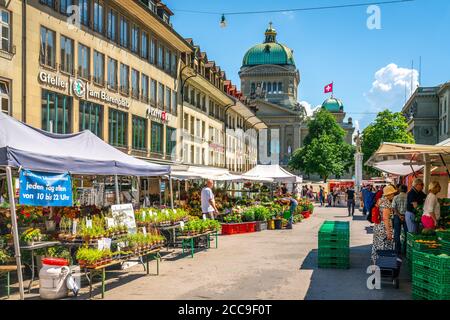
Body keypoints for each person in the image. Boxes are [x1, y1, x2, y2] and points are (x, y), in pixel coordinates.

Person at [371, 185, 396, 263]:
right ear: (389, 194)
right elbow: (386, 218)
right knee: (383, 245)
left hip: (378, 226)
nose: (394, 195)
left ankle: (375, 262)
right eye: (393, 193)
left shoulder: (380, 200)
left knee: (377, 244)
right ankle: (382, 264)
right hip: (383, 227)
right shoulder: (386, 203)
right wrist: (389, 232)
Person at [391, 184, 408, 255]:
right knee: (407, 233)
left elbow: (394, 208)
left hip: (397, 216)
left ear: (400, 190)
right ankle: (405, 250)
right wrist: (403, 216)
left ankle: (398, 250)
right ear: (406, 190)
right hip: (406, 216)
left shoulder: (396, 197)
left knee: (396, 233)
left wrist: (399, 215)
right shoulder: (408, 197)